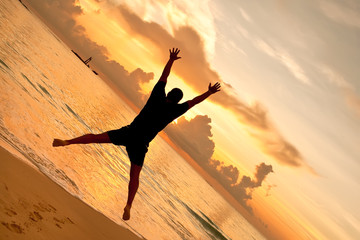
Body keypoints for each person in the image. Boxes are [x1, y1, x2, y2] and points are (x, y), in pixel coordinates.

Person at [53, 48, 221, 220]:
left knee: (96, 138)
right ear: (178, 100)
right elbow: (193, 102)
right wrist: (209, 92)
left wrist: (171, 60)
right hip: (141, 144)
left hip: (129, 132)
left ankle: (67, 142)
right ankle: (128, 205)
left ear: (168, 93)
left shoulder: (157, 95)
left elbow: (164, 76)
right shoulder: (175, 111)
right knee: (134, 176)